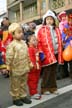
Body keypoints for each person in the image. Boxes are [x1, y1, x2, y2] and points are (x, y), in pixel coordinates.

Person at [6, 23, 33, 106]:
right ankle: (16, 98)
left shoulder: (24, 43)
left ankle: (23, 96)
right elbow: (9, 56)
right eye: (19, 32)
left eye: (22, 32)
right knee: (15, 84)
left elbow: (27, 54)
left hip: (24, 67)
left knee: (23, 83)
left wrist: (30, 63)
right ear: (13, 34)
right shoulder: (12, 45)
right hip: (15, 69)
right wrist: (8, 66)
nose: (21, 33)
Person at [37, 10, 64, 94]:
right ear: (45, 20)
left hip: (56, 54)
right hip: (47, 55)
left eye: (51, 19)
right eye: (47, 19)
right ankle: (44, 88)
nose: (49, 21)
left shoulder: (57, 29)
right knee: (47, 72)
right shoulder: (41, 30)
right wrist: (41, 53)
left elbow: (59, 41)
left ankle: (53, 88)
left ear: (54, 20)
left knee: (53, 71)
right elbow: (39, 42)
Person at [26, 33, 41, 99]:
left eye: (36, 40)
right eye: (33, 40)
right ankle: (33, 93)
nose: (35, 41)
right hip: (32, 68)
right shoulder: (30, 49)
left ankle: (35, 91)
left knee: (36, 80)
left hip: (37, 67)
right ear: (29, 43)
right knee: (32, 80)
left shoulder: (36, 48)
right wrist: (33, 65)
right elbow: (31, 58)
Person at [58, 11, 69, 78]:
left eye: (64, 16)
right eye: (62, 17)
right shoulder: (60, 25)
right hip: (64, 44)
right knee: (64, 59)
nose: (63, 18)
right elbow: (61, 34)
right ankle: (65, 73)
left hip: (69, 42)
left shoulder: (69, 23)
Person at [62, 13, 72, 79]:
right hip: (69, 47)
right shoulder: (66, 27)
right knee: (71, 63)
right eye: (70, 20)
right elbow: (64, 39)